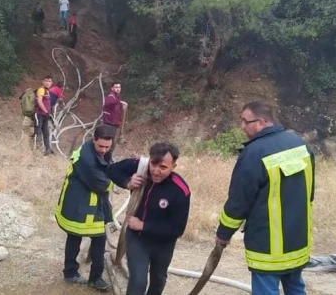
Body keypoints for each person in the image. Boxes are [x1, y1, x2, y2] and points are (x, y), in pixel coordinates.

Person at [215, 100, 315, 295]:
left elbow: (239, 202)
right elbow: (309, 192)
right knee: (295, 286)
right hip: (297, 239)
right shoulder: (301, 145)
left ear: (261, 122)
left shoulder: (254, 154)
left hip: (268, 246)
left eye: (245, 121)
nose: (242, 126)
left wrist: (223, 233)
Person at [55, 125, 143, 292]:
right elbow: (103, 183)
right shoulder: (87, 159)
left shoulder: (98, 150)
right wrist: (126, 183)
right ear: (93, 139)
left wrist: (132, 164)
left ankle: (86, 274)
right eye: (100, 146)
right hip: (79, 202)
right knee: (77, 236)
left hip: (90, 200)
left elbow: (111, 167)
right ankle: (77, 274)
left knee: (97, 237)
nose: (104, 150)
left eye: (107, 147)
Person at [107, 142, 191, 295]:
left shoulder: (180, 190)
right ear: (150, 159)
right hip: (137, 239)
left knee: (158, 281)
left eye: (163, 167)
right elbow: (111, 170)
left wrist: (144, 226)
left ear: (174, 166)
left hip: (163, 244)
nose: (156, 171)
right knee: (138, 282)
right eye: (154, 164)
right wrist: (127, 182)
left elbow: (177, 229)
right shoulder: (141, 167)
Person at [102, 82, 127, 158]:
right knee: (108, 144)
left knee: (113, 144)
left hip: (115, 125)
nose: (118, 89)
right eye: (116, 87)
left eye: (119, 87)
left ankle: (108, 159)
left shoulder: (116, 97)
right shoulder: (110, 97)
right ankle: (105, 159)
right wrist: (120, 102)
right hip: (109, 125)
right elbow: (108, 102)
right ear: (112, 88)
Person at [34, 76, 53, 155]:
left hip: (45, 115)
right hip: (39, 114)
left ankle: (47, 150)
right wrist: (45, 111)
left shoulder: (48, 91)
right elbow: (39, 101)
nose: (47, 83)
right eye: (46, 81)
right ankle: (35, 150)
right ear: (43, 82)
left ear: (51, 83)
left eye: (49, 81)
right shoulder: (41, 90)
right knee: (37, 132)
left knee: (46, 133)